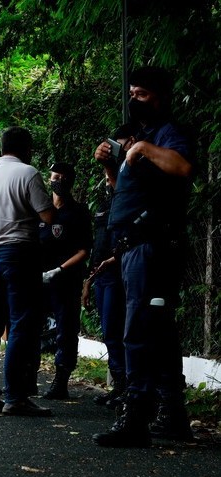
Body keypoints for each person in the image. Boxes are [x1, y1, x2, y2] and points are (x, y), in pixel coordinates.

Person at [92, 67, 194, 447]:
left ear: (161, 97)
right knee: (159, 331)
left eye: (143, 94)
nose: (135, 100)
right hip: (134, 246)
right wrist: (110, 163)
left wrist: (144, 149)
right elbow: (126, 190)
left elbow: (182, 167)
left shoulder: (168, 133)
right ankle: (172, 414)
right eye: (132, 93)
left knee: (137, 330)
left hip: (154, 244)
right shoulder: (145, 137)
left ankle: (136, 415)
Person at [0, 126, 55, 417]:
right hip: (20, 253)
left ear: (1, 147)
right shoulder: (28, 173)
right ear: (27, 148)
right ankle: (15, 396)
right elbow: (47, 214)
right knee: (20, 324)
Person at [83, 124, 137, 408]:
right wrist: (88, 281)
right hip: (102, 274)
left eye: (120, 147)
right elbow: (99, 243)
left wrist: (109, 170)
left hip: (119, 270)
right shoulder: (106, 202)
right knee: (109, 333)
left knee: (120, 332)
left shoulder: (128, 189)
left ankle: (130, 388)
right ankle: (120, 386)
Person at [39, 162, 92, 400]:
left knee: (66, 331)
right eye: (55, 176)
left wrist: (59, 270)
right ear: (48, 179)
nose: (58, 180)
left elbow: (83, 250)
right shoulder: (40, 210)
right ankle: (26, 379)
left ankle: (61, 381)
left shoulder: (78, 212)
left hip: (66, 280)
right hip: (38, 282)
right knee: (31, 328)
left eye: (63, 177)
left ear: (70, 182)